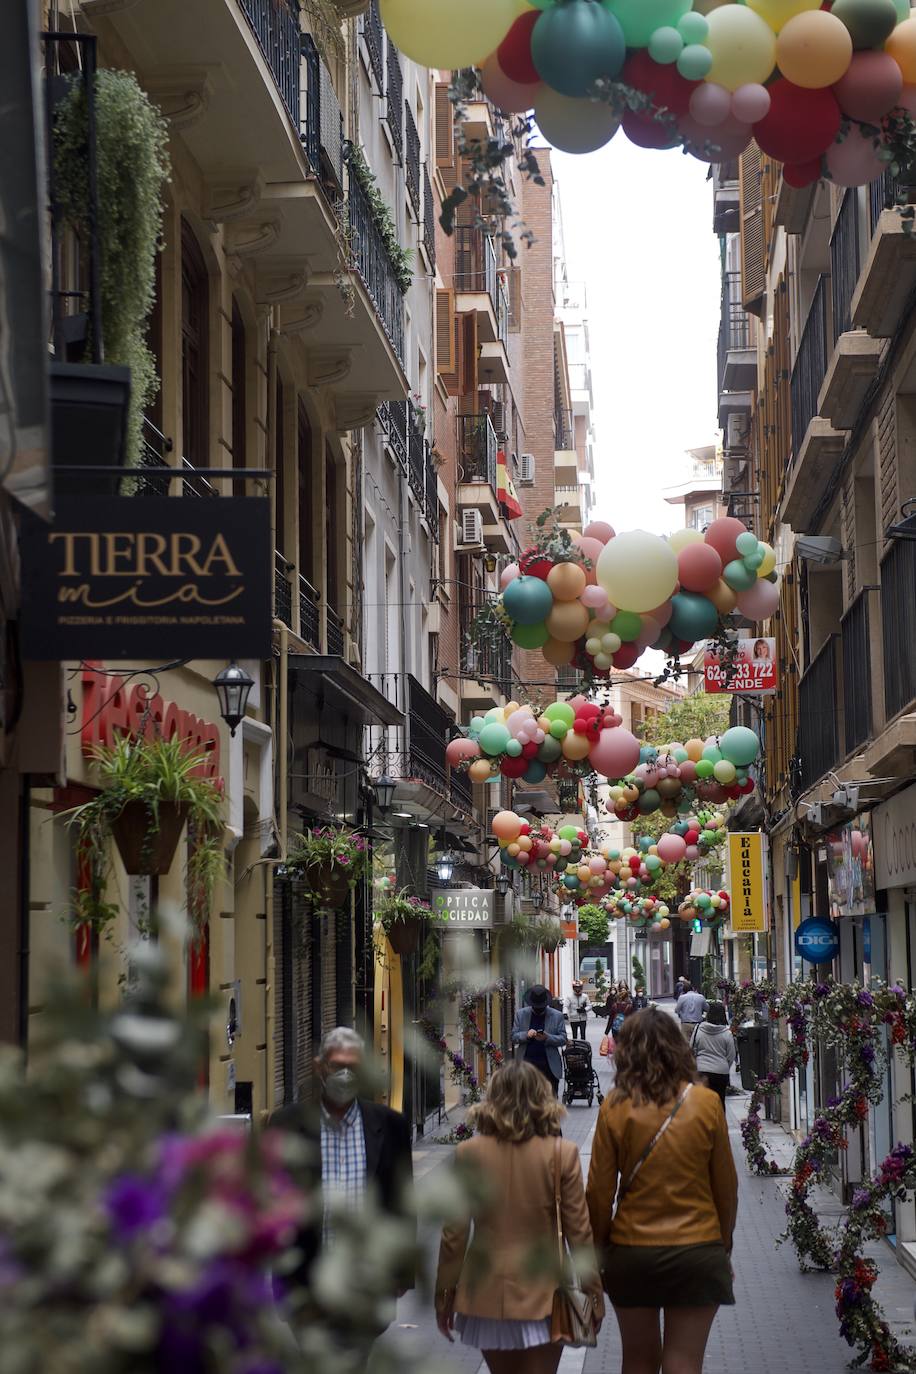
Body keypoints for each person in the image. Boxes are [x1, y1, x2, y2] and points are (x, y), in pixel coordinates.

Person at [586, 1009, 738, 1374]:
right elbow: (726, 1187)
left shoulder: (615, 1106)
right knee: (684, 1362)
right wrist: (722, 1246)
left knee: (637, 1360)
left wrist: (598, 1254)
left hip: (632, 1252)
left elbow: (598, 1193)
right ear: (678, 1048)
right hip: (697, 1249)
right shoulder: (706, 1103)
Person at [436, 1061, 604, 1373]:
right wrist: (593, 1294)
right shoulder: (561, 1153)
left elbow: (453, 1235)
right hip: (545, 1290)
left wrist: (444, 1296)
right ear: (543, 1098)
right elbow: (579, 1233)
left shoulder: (469, 1153)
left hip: (485, 1291)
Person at [269, 1027, 415, 1357]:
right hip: (307, 1275)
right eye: (337, 1065)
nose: (345, 1074)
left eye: (353, 1066)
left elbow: (401, 1201)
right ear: (320, 1066)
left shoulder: (389, 1125)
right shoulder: (286, 1124)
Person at [512, 984, 568, 1096]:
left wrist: (548, 1037)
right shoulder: (521, 1014)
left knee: (550, 1103)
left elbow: (563, 1039)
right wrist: (526, 1035)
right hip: (525, 1067)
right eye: (535, 1006)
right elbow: (514, 1037)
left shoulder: (557, 1016)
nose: (538, 1009)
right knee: (526, 1102)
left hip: (549, 1068)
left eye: (540, 1006)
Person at [690, 1002, 737, 1108]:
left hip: (701, 1070)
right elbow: (731, 1055)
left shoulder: (698, 1029)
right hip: (720, 1072)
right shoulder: (727, 1034)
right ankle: (719, 1123)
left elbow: (691, 1049)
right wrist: (724, 1066)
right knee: (719, 1103)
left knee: (701, 1104)